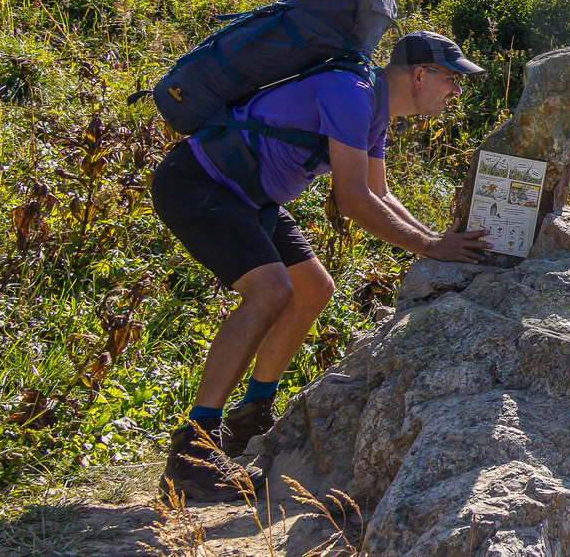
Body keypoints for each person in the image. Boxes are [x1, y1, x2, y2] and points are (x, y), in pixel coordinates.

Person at [150, 31, 491, 501]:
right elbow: (351, 200)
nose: (456, 91)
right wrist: (430, 248)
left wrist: (435, 240)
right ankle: (193, 453)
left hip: (248, 196)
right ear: (419, 74)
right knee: (271, 290)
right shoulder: (350, 95)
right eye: (452, 79)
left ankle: (249, 418)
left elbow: (380, 194)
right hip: (202, 183)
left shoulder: (372, 107)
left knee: (312, 287)